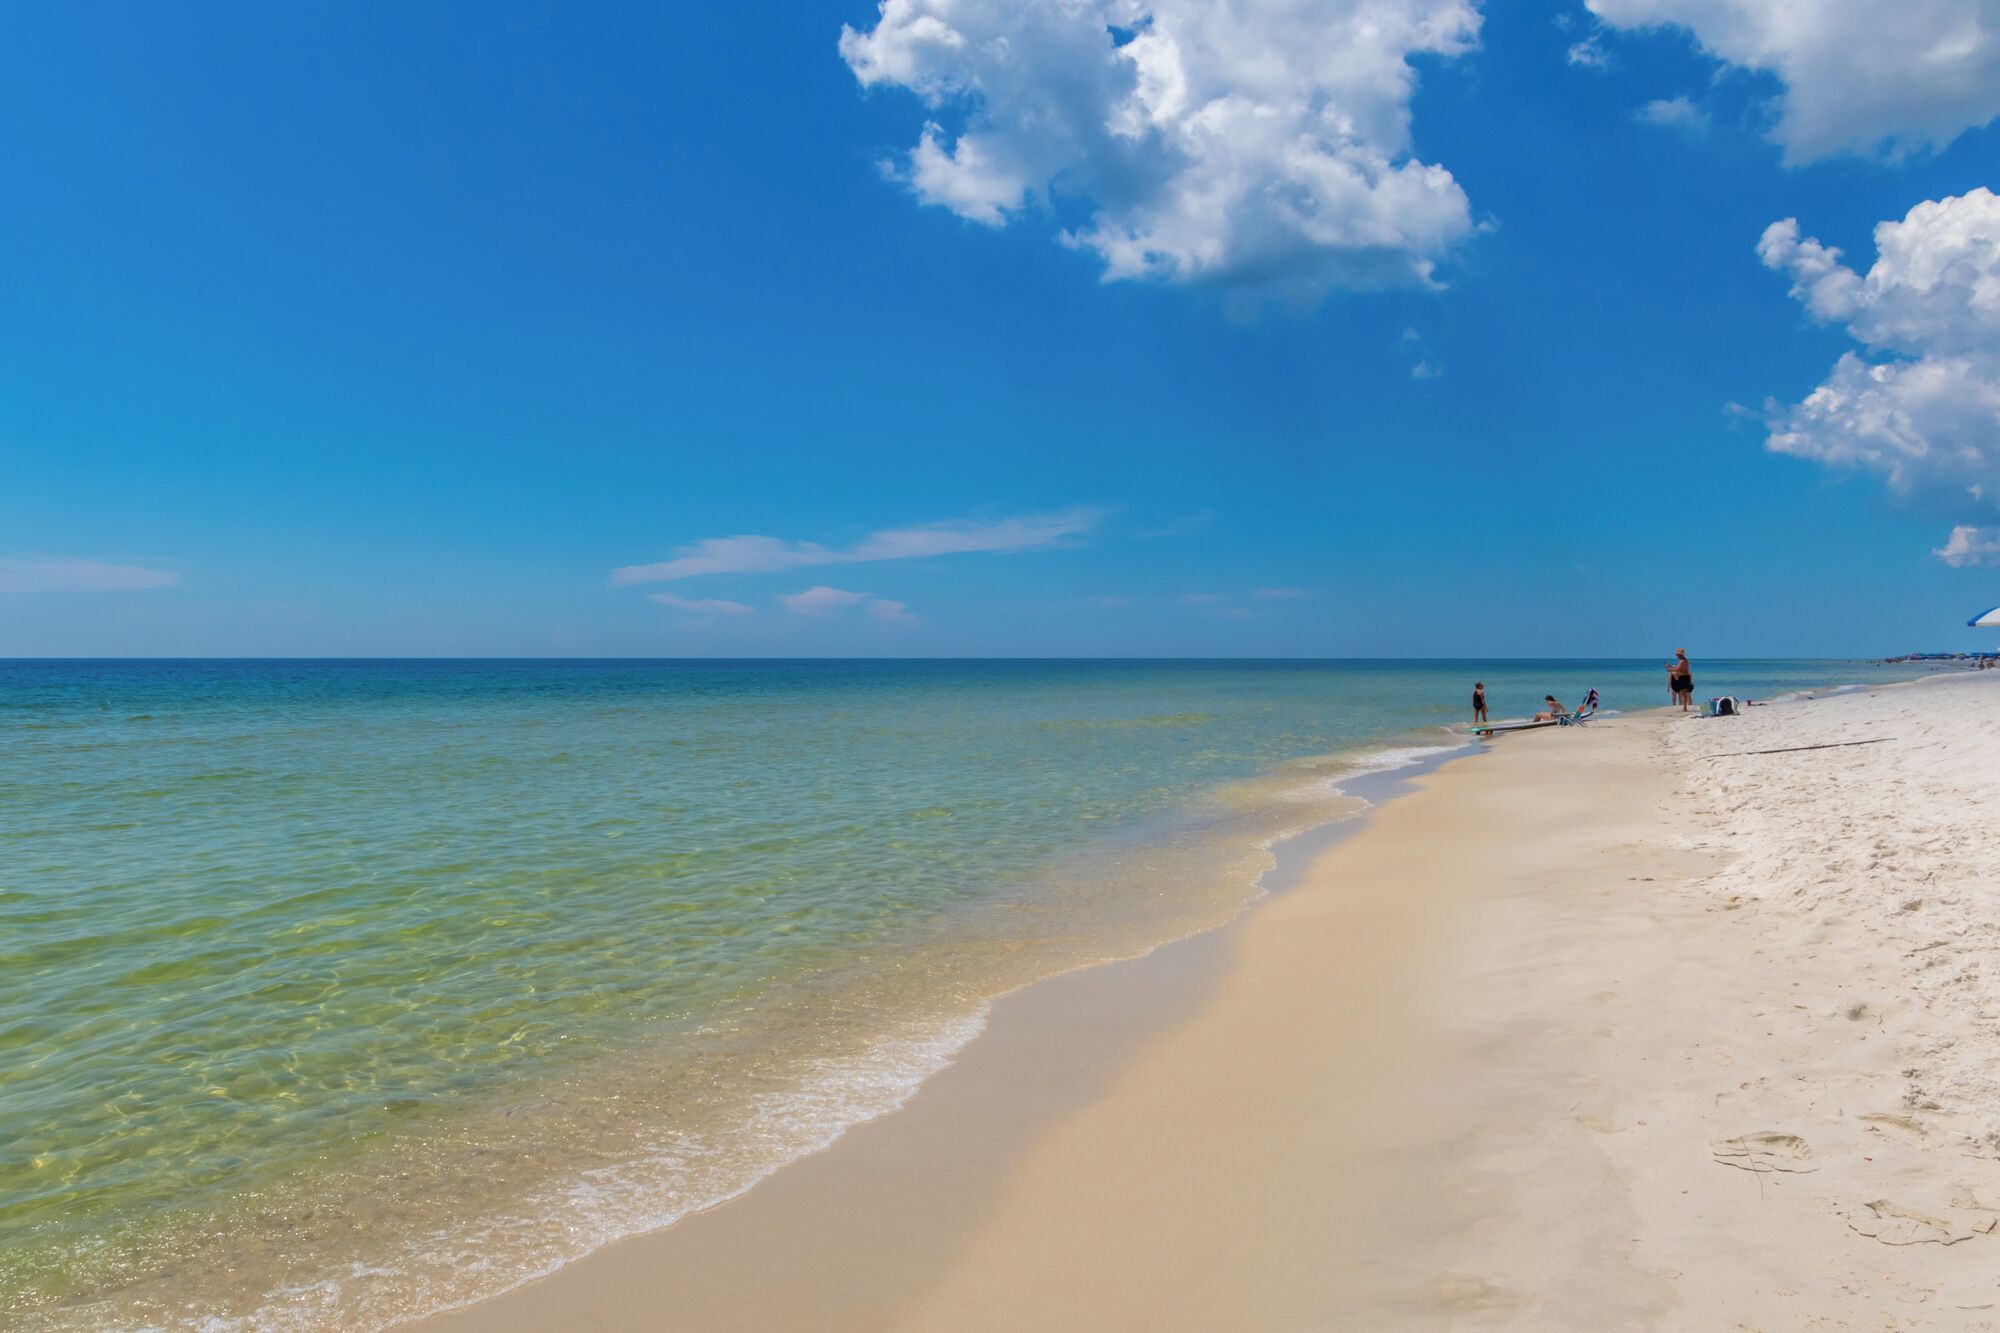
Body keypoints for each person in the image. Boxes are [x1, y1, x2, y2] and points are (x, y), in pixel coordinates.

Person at [1668, 648, 1694, 713]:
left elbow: (1677, 669)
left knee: (1684, 693)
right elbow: (1679, 668)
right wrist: (1670, 667)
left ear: (1680, 654)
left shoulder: (1683, 661)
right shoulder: (1683, 660)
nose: (1676, 656)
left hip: (1684, 678)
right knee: (1683, 693)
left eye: (1677, 654)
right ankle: (1684, 708)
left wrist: (1670, 670)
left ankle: (1685, 708)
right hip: (1683, 677)